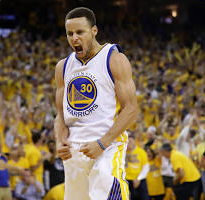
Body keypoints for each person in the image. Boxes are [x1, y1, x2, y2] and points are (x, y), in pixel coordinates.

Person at [55, 7, 137, 200]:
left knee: (110, 193)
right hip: (74, 151)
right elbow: (60, 115)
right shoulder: (63, 67)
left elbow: (131, 109)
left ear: (94, 31)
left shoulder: (114, 58)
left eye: (79, 32)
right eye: (70, 33)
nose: (74, 38)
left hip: (106, 147)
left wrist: (103, 142)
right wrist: (59, 140)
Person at [125, 134, 150, 200]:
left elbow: (146, 167)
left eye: (130, 141)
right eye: (126, 142)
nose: (128, 144)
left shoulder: (141, 151)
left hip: (140, 180)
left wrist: (139, 178)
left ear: (134, 141)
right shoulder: (122, 152)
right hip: (126, 181)